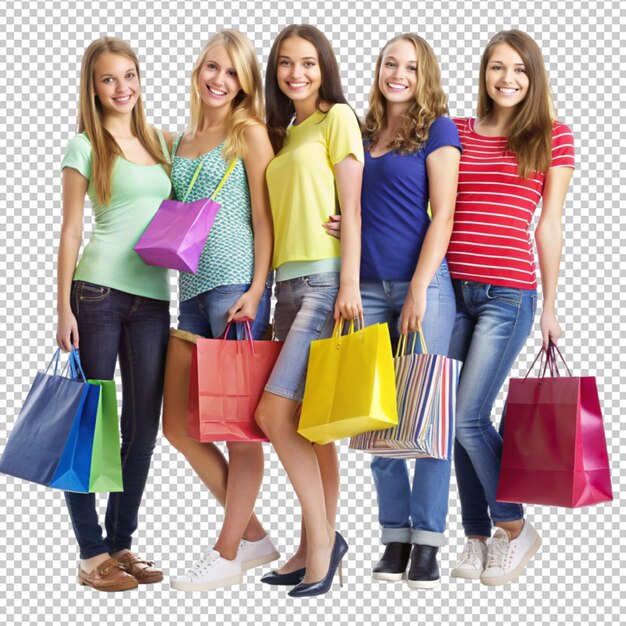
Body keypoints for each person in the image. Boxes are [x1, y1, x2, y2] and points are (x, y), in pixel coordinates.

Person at [446, 29, 575, 586]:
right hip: (451, 292)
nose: (507, 79)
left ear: (533, 77)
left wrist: (550, 304)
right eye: (497, 67)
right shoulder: (455, 132)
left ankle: (516, 529)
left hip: (509, 295)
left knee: (468, 415)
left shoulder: (553, 137)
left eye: (519, 70)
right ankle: (478, 539)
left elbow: (549, 226)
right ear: (484, 73)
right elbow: (429, 206)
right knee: (449, 419)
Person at [160, 30, 277, 592]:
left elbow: (265, 219)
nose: (219, 80)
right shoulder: (181, 139)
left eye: (232, 73)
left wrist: (258, 288)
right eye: (212, 67)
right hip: (189, 294)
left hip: (235, 292)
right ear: (197, 69)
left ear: (245, 83)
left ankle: (227, 550)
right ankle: (254, 534)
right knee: (179, 427)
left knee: (238, 429)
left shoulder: (249, 132)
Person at [56, 37, 172, 591]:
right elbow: (72, 231)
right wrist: (62, 308)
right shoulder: (85, 145)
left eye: (130, 75)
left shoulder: (159, 142)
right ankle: (89, 553)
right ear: (93, 87)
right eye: (109, 79)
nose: (122, 87)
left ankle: (121, 543)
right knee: (90, 426)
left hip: (154, 297)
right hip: (98, 292)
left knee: (142, 428)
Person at [347, 33, 460, 589]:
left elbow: (444, 215)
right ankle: (394, 535)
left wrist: (418, 286)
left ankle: (428, 541)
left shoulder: (438, 128)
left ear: (424, 74)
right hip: (366, 289)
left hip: (424, 287)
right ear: (379, 68)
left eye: (410, 66)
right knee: (377, 417)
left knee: (430, 418)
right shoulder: (364, 130)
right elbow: (358, 203)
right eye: (390, 62)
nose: (398, 73)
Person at [254, 24, 364, 598]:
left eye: (308, 64)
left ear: (325, 68)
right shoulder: (288, 130)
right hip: (287, 287)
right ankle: (308, 547)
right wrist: (268, 295)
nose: (297, 73)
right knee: (309, 425)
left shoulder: (337, 118)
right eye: (286, 64)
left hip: (324, 284)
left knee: (273, 416)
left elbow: (355, 207)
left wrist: (349, 282)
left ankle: (324, 541)